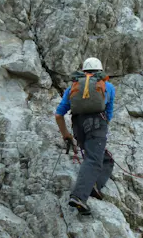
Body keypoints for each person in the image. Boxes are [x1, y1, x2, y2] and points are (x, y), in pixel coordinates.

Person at [54, 57, 116, 215]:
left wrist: (66, 135)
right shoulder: (107, 86)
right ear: (100, 71)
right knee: (93, 160)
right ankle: (79, 196)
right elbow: (108, 114)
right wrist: (100, 132)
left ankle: (94, 185)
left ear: (83, 71)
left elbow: (59, 115)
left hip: (78, 127)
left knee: (106, 159)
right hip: (97, 125)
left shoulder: (73, 87)